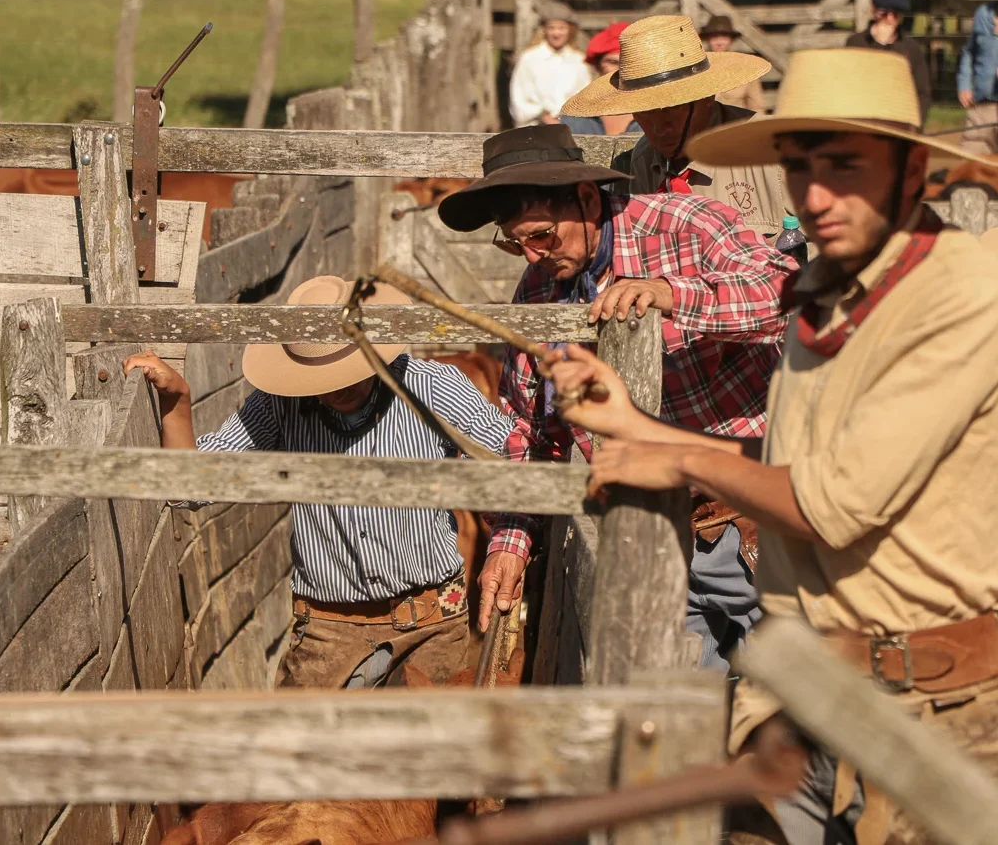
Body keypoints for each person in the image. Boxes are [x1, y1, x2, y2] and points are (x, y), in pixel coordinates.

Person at [544, 48, 998, 844]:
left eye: (846, 167)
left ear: (914, 170)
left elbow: (831, 505)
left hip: (940, 718)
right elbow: (795, 469)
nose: (816, 197)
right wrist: (635, 424)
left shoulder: (965, 296)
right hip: (813, 701)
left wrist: (679, 458)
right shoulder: (824, 297)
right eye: (798, 168)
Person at [437, 124, 796, 672]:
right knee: (667, 715)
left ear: (586, 199)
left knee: (792, 708)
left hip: (751, 510)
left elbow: (784, 295)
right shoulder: (538, 291)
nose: (532, 257)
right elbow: (533, 427)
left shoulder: (687, 223)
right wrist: (510, 538)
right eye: (515, 243)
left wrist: (673, 295)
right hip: (641, 535)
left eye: (543, 236)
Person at [126, 275, 511, 690]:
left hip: (431, 616)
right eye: (321, 379)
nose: (336, 388)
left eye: (346, 371)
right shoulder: (280, 403)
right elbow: (189, 487)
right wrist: (177, 402)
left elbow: (514, 464)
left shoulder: (433, 387)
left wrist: (509, 546)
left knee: (425, 747)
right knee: (300, 746)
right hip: (328, 626)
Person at [562, 14, 792, 239]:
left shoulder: (775, 153)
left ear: (707, 98)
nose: (659, 128)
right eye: (643, 111)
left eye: (672, 109)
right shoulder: (638, 166)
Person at [846, 0, 932, 126]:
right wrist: (880, 44)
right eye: (884, 13)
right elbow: (848, 84)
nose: (890, 19)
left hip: (899, 120)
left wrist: (916, 125)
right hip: (863, 118)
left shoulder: (911, 48)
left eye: (896, 14)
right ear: (874, 10)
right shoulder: (856, 42)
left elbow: (922, 92)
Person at [509, 2, 592, 128]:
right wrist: (542, 115)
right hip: (536, 127)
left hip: (571, 127)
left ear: (569, 30)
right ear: (544, 30)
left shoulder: (578, 60)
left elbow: (586, 95)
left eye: (561, 28)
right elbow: (519, 96)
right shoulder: (530, 59)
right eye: (552, 28)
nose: (556, 33)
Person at [562, 22, 642, 136]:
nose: (621, 69)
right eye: (613, 62)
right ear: (598, 66)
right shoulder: (576, 113)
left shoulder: (657, 113)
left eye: (628, 62)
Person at [956, 0, 998, 155]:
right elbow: (969, 52)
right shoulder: (983, 14)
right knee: (972, 164)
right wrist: (964, 84)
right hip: (981, 107)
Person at [700, 15, 766, 114]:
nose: (719, 42)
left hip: (736, 127)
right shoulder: (697, 69)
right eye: (714, 37)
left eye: (724, 37)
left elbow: (757, 107)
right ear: (708, 39)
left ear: (731, 39)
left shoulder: (746, 68)